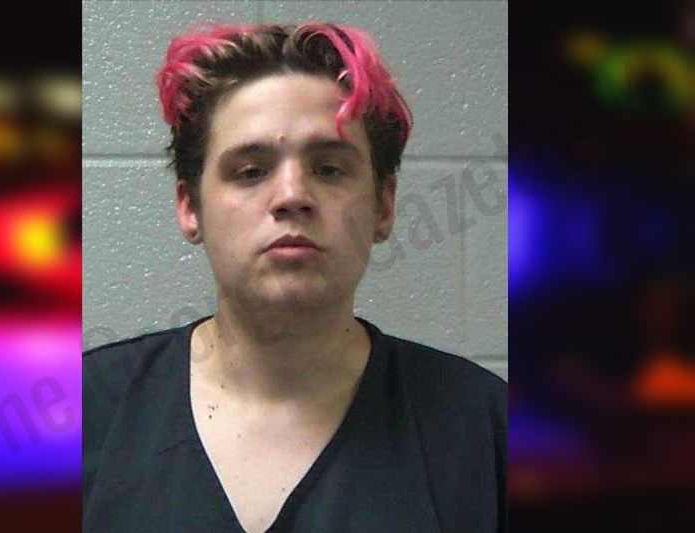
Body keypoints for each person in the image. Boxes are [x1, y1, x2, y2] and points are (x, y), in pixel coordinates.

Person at [83, 22, 506, 533]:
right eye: (250, 171)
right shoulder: (84, 414)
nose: (291, 196)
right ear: (190, 207)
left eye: (329, 169)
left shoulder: (486, 429)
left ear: (384, 206)